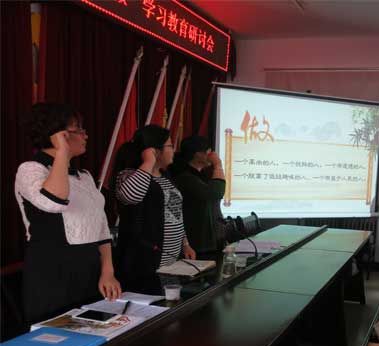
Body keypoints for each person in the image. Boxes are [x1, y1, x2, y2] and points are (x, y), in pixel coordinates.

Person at [15, 103, 121, 324]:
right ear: (59, 135)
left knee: (98, 333)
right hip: (52, 273)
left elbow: (101, 225)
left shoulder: (84, 175)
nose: (85, 135)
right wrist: (62, 151)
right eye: (79, 129)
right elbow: (54, 201)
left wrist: (108, 271)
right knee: (58, 336)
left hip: (90, 270)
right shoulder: (30, 170)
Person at [112, 125, 195, 294]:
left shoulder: (166, 176)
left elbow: (176, 213)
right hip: (144, 263)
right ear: (154, 150)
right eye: (170, 146)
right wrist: (148, 161)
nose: (173, 150)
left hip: (171, 262)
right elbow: (131, 196)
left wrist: (185, 244)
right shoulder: (129, 175)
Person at [171, 136, 226, 257]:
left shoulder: (201, 175)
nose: (213, 155)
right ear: (198, 154)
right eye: (209, 152)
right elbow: (215, 193)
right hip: (197, 243)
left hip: (209, 240)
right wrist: (218, 165)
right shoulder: (185, 177)